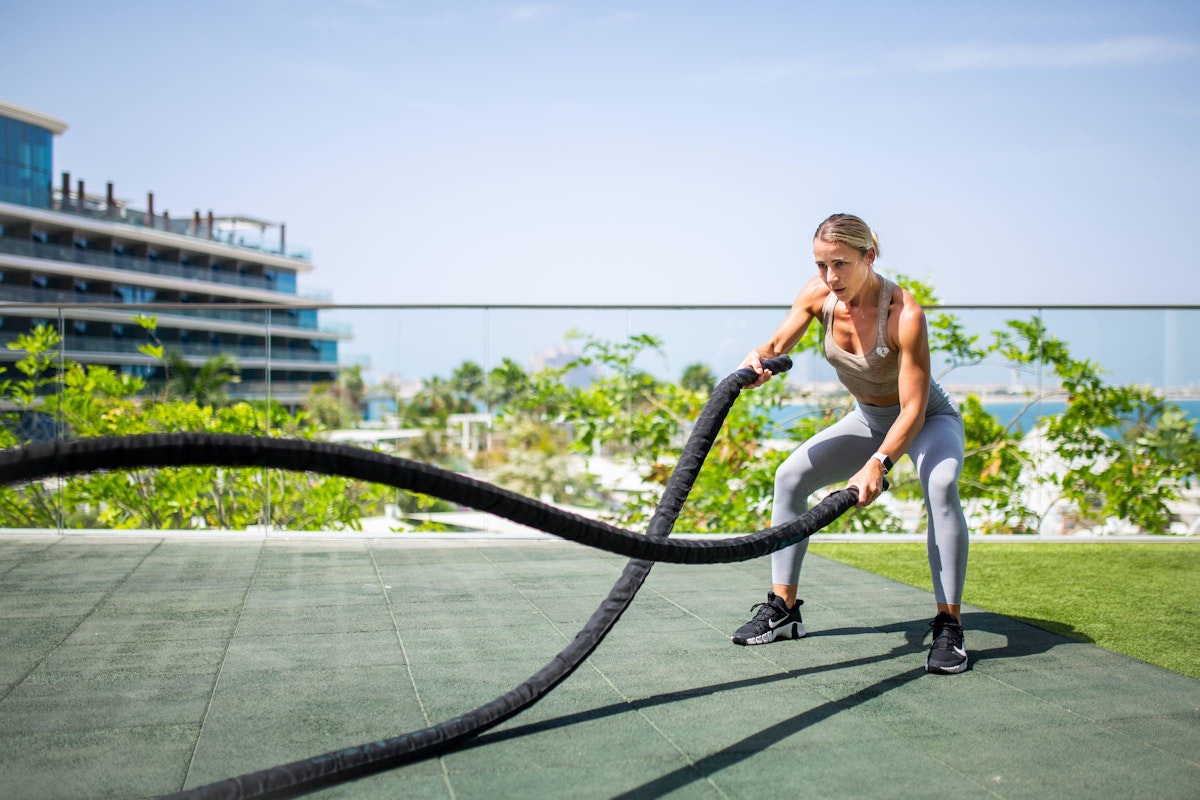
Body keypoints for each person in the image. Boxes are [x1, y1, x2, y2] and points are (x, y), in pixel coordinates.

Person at [731, 213, 970, 674]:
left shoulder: (904, 314)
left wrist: (879, 462)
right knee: (790, 477)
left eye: (840, 264)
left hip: (927, 421)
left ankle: (949, 625)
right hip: (869, 417)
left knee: (940, 487)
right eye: (822, 265)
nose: (830, 276)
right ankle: (783, 610)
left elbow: (914, 409)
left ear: (869, 257)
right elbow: (778, 343)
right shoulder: (819, 294)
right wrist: (757, 361)